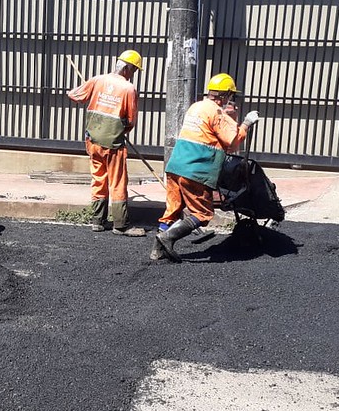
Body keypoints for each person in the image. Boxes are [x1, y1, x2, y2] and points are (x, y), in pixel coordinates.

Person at [152, 73, 261, 262]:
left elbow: (209, 131)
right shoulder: (217, 113)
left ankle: (157, 251)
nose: (230, 99)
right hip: (196, 169)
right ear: (225, 95)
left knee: (173, 210)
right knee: (202, 214)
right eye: (230, 95)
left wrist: (230, 118)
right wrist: (246, 124)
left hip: (176, 165)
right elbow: (233, 142)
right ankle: (167, 237)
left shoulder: (196, 107)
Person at [67, 50, 145, 237]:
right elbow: (131, 120)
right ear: (127, 68)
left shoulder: (97, 80)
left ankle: (97, 221)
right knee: (117, 182)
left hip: (93, 140)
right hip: (113, 143)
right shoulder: (128, 89)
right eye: (134, 70)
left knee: (99, 178)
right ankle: (121, 225)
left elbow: (75, 96)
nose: (133, 73)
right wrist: (122, 131)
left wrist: (81, 92)